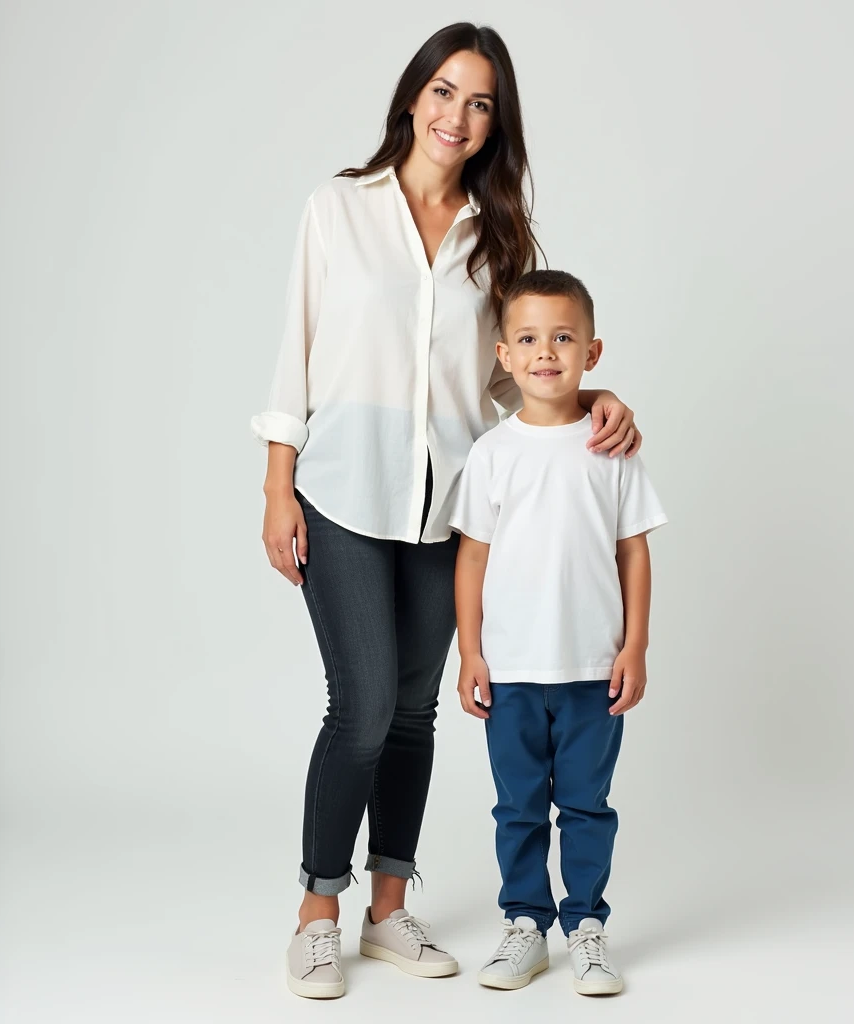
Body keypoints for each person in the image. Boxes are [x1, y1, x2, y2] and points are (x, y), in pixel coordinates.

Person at [251, 24, 644, 1000]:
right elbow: (294, 350)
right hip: (341, 490)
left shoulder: (498, 235)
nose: (456, 116)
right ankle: (317, 911)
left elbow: (517, 372)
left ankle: (387, 909)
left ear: (493, 122)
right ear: (411, 97)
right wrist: (275, 484)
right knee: (363, 707)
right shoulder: (340, 207)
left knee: (417, 714)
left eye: (479, 102)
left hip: (451, 507)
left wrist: (595, 400)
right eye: (442, 91)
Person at [450, 269, 667, 996]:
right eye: (530, 339)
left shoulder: (612, 447)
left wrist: (634, 645)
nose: (548, 352)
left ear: (592, 352)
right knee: (517, 806)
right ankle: (524, 925)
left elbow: (633, 549)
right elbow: (472, 556)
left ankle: (587, 928)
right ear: (505, 356)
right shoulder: (492, 453)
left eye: (564, 338)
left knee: (585, 806)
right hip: (510, 670)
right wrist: (471, 651)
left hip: (590, 668)